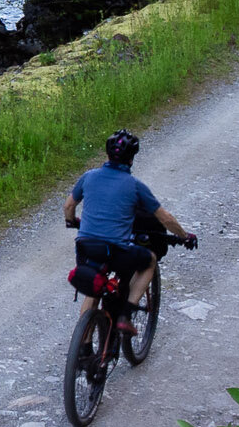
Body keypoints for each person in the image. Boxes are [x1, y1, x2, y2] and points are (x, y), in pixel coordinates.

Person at [64, 129, 194, 332]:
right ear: (132, 159)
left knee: (95, 288)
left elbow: (68, 206)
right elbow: (164, 218)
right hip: (116, 251)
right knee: (149, 260)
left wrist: (73, 222)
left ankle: (85, 348)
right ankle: (126, 313)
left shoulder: (88, 177)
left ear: (106, 154)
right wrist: (185, 236)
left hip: (85, 248)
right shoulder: (135, 186)